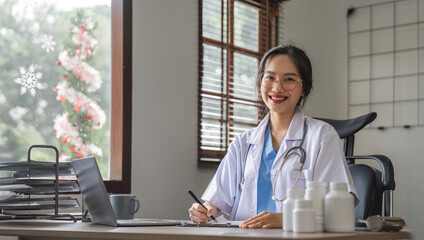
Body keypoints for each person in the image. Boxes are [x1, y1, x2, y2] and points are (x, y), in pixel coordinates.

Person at [188, 45, 358, 229]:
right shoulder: (243, 143)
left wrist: (287, 219)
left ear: (305, 88)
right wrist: (204, 210)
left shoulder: (323, 136)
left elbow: (338, 209)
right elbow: (216, 201)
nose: (277, 88)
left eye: (289, 79)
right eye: (270, 78)